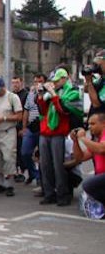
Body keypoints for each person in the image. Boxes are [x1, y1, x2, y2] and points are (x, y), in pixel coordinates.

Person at [38, 68, 82, 206]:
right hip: (45, 132)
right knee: (45, 166)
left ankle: (63, 194)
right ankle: (49, 193)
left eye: (57, 81)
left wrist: (53, 95)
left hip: (59, 133)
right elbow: (43, 111)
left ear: (64, 79)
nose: (55, 83)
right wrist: (41, 96)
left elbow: (64, 110)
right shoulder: (50, 93)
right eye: (53, 81)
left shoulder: (72, 91)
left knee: (59, 166)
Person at [0, 76, 22, 197]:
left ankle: (10, 184)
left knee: (9, 158)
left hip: (8, 131)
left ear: (2, 87)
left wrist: (4, 118)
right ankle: (1, 183)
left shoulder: (12, 97)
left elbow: (19, 116)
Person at [72, 112, 105, 203]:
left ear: (103, 123)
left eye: (93, 124)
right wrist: (76, 142)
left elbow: (101, 149)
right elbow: (80, 158)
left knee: (88, 185)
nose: (89, 127)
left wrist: (82, 138)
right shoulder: (96, 139)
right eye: (89, 124)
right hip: (100, 176)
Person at [21, 73, 46, 186]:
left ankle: (41, 179)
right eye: (36, 81)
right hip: (31, 126)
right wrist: (24, 127)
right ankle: (33, 173)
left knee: (41, 154)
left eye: (40, 81)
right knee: (25, 152)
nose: (38, 84)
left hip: (43, 126)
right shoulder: (30, 94)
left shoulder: (47, 93)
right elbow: (26, 110)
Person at [12, 76, 30, 182]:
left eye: (17, 82)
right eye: (13, 82)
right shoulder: (11, 95)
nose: (15, 84)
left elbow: (26, 112)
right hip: (12, 127)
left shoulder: (25, 95)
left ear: (21, 83)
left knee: (22, 150)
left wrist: (24, 128)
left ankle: (22, 170)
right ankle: (16, 170)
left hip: (21, 126)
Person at [84, 49, 105, 116]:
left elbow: (96, 104)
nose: (96, 67)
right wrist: (88, 77)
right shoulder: (101, 78)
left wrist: (89, 82)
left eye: (97, 65)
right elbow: (86, 90)